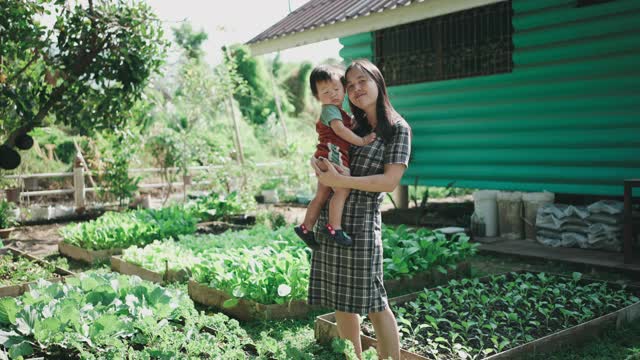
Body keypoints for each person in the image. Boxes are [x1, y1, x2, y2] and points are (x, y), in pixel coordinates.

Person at [308, 59, 411, 360]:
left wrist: (343, 179)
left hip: (363, 224)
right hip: (333, 221)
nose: (355, 89)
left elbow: (390, 181)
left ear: (378, 81)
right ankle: (352, 356)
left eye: (361, 81)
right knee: (342, 299)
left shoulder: (398, 129)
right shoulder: (351, 123)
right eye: (349, 84)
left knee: (376, 302)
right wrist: (319, 164)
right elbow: (328, 151)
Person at [295, 65, 376, 248]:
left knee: (322, 195)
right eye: (325, 91)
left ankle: (306, 227)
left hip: (325, 157)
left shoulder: (339, 113)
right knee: (342, 189)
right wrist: (362, 141)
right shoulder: (330, 110)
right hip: (334, 155)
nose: (333, 94)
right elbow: (339, 130)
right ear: (317, 97)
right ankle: (334, 227)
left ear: (344, 90)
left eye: (336, 89)